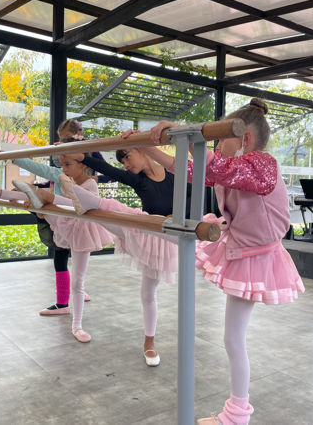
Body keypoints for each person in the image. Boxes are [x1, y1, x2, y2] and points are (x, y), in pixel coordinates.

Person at [142, 98, 305, 425]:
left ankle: (237, 414)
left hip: (257, 257)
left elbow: (212, 166)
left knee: (233, 339)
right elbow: (194, 171)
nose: (215, 145)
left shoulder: (262, 163)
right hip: (241, 249)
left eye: (219, 138)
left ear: (243, 138)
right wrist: (149, 147)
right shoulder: (232, 167)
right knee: (232, 338)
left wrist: (183, 135)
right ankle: (237, 412)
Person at [20, 146, 191, 367]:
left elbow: (194, 194)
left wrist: (178, 215)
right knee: (106, 211)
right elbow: (106, 168)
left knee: (150, 292)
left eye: (128, 157)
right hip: (143, 230)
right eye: (123, 162)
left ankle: (48, 198)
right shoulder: (137, 180)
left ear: (145, 151)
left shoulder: (175, 173)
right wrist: (81, 155)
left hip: (168, 238)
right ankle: (41, 197)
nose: (126, 166)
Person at [0, 154, 113, 343]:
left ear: (83, 165)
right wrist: (44, 207)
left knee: (78, 281)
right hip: (65, 223)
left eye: (67, 164)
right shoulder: (67, 180)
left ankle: (77, 325)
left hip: (82, 231)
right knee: (28, 196)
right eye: (62, 165)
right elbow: (63, 206)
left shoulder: (90, 184)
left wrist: (46, 200)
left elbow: (78, 206)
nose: (63, 169)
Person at [12, 119, 105, 315]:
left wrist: (17, 158)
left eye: (64, 139)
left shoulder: (87, 160)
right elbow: (48, 173)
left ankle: (67, 300)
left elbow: (106, 171)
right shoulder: (62, 169)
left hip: (75, 214)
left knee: (71, 256)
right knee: (63, 255)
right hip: (62, 212)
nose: (59, 145)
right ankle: (68, 298)